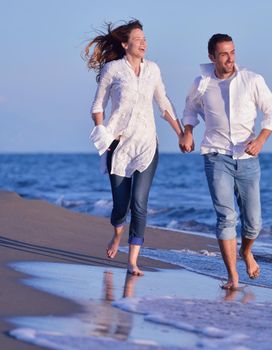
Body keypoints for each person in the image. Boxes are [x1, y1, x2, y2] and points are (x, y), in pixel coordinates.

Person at [84, 19, 184, 276]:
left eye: (145, 38)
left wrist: (181, 132)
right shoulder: (112, 70)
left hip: (147, 144)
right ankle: (117, 234)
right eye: (138, 39)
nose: (144, 43)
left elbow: (163, 103)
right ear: (125, 44)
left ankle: (133, 261)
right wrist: (100, 130)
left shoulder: (153, 70)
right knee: (121, 206)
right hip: (117, 146)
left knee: (139, 202)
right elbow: (98, 105)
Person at [180, 33, 272, 289]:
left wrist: (261, 140)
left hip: (247, 156)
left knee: (254, 221)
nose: (230, 58)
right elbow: (190, 109)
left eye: (233, 52)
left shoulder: (252, 80)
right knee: (226, 217)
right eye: (223, 54)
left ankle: (246, 251)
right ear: (212, 57)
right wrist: (189, 131)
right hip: (215, 155)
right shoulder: (202, 83)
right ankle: (233, 277)